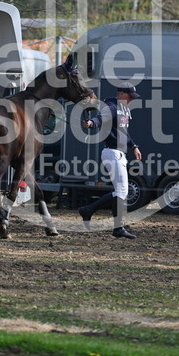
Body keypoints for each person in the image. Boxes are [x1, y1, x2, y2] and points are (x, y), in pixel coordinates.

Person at [78, 82, 142, 239]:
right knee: (121, 191)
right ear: (121, 94)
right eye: (130, 96)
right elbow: (101, 118)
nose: (132, 100)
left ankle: (90, 210)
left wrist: (134, 146)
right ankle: (116, 227)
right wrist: (92, 123)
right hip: (112, 153)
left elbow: (124, 133)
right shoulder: (112, 107)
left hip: (118, 153)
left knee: (120, 192)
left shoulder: (123, 109)